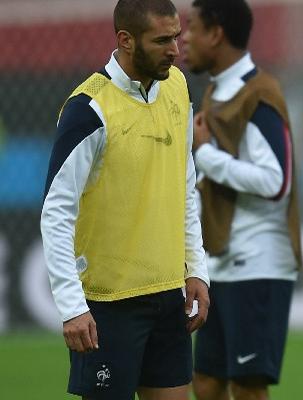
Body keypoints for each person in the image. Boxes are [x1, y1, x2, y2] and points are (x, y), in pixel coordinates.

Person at [40, 0, 210, 398]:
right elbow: (56, 212)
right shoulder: (89, 109)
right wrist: (72, 305)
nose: (175, 49)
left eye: (177, 37)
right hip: (108, 305)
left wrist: (197, 267)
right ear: (126, 40)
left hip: (169, 296)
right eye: (163, 40)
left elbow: (184, 181)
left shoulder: (177, 86)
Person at [181, 1, 302, 399]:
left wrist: (206, 156)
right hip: (222, 262)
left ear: (216, 34)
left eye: (192, 28)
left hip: (258, 262)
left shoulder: (259, 92)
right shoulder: (219, 90)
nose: (184, 39)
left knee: (248, 387)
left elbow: (275, 181)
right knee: (207, 382)